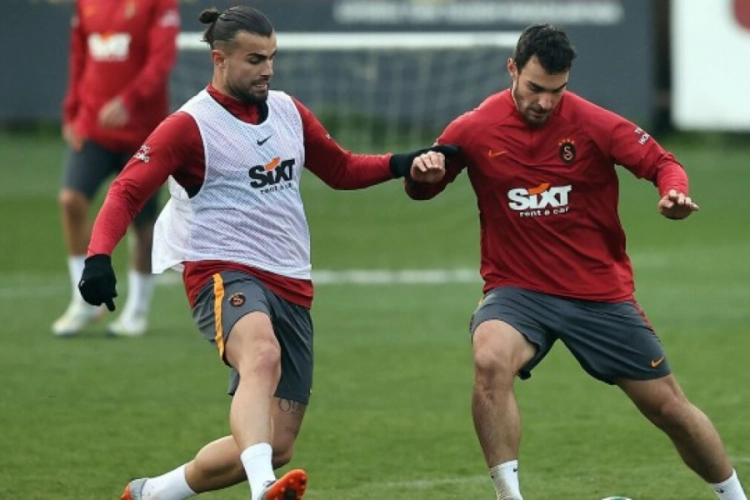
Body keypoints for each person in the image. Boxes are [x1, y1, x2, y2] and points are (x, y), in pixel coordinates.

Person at [77, 6, 456, 500]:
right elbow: (127, 190)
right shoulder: (189, 126)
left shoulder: (288, 111)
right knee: (262, 354)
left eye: (272, 57)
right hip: (221, 269)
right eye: (255, 59)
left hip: (290, 280)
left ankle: (153, 493)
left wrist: (404, 162)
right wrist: (98, 257)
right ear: (219, 59)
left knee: (275, 443)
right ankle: (263, 490)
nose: (268, 69)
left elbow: (341, 169)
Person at [403, 23, 747, 500]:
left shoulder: (594, 123)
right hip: (518, 291)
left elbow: (662, 162)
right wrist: (422, 176)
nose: (545, 102)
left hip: (598, 293)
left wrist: (674, 192)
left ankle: (734, 496)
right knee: (489, 358)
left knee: (669, 408)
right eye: (535, 88)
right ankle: (509, 496)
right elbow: (425, 186)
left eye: (557, 91)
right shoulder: (474, 128)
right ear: (512, 69)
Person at [53, 0, 180, 337]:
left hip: (143, 132)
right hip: (92, 126)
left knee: (143, 226)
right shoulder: (86, 4)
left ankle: (136, 312)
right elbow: (79, 56)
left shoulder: (159, 4)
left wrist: (129, 100)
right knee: (70, 200)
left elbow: (162, 59)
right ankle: (84, 300)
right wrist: (71, 111)